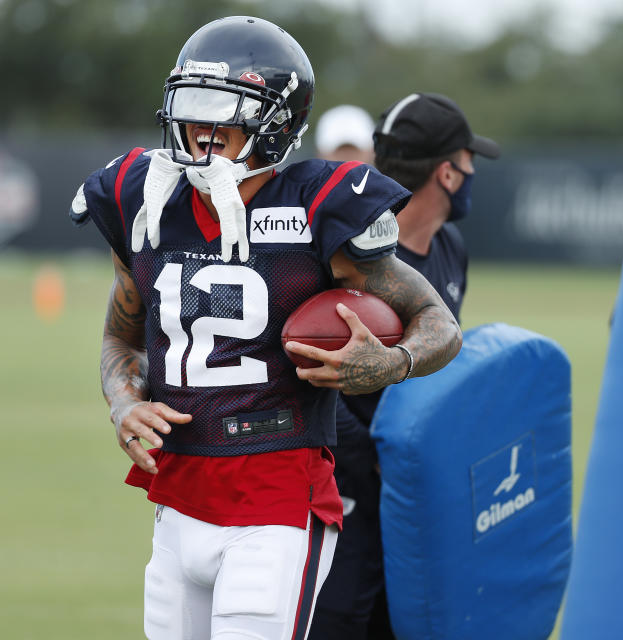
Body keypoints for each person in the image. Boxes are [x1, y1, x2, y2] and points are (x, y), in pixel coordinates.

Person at [69, 18, 461, 640]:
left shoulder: (318, 205)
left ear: (274, 121)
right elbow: (121, 333)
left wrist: (392, 363)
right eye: (190, 106)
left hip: (275, 498)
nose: (199, 130)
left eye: (220, 112)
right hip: (175, 497)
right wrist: (123, 403)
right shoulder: (138, 197)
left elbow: (439, 322)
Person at [309, 92, 499, 639]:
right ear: (447, 172)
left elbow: (440, 371)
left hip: (416, 491)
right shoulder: (348, 253)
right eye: (468, 160)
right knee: (341, 617)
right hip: (347, 486)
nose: (471, 172)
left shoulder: (451, 247)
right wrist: (374, 458)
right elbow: (312, 374)